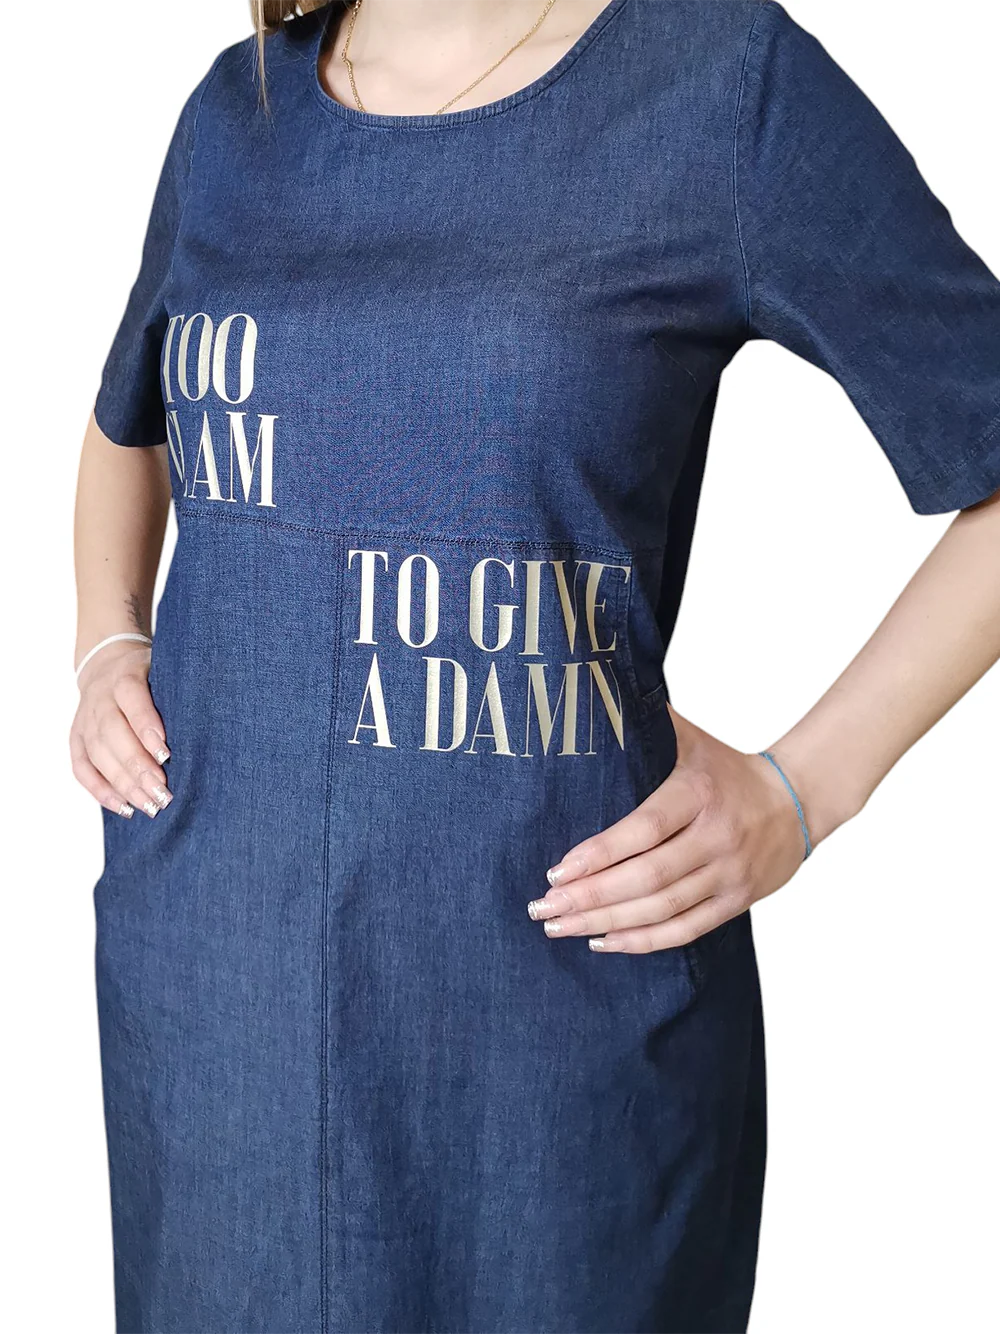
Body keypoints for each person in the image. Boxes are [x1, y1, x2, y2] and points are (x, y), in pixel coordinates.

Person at [71, 0, 1000, 1329]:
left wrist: (806, 788)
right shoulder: (239, 114)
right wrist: (107, 638)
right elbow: (131, 420)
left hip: (548, 1033)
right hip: (218, 1008)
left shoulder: (719, 86)